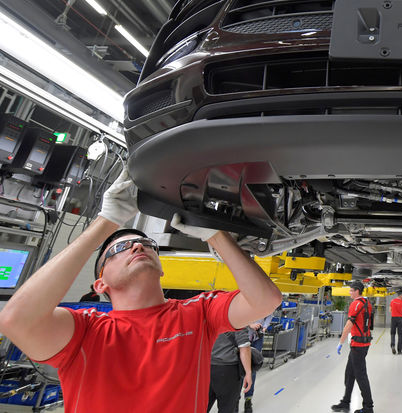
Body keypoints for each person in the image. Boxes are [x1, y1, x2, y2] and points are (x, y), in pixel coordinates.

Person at [0, 168, 283, 413]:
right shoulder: (84, 330)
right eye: (119, 249)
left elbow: (265, 300)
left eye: (148, 245)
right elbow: (16, 320)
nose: (138, 246)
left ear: (161, 268)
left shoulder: (198, 312)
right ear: (100, 284)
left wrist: (214, 233)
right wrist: (106, 222)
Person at [331, 280, 374, 413]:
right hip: (364, 342)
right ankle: (345, 402)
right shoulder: (367, 303)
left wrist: (340, 342)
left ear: (357, 291)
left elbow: (348, 326)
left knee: (360, 375)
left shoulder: (355, 304)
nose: (349, 292)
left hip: (358, 344)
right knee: (350, 373)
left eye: (351, 290)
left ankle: (368, 407)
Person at [208, 328, 252, 413]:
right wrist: (248, 372)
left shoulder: (206, 315)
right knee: (227, 407)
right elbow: (244, 347)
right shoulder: (237, 317)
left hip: (204, 367)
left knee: (201, 406)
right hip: (227, 369)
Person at [243, 317, 269, 413]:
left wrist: (265, 327)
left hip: (257, 338)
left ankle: (248, 400)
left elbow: (270, 315)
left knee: (252, 368)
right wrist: (250, 324)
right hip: (243, 335)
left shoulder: (267, 303)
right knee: (238, 368)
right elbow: (238, 315)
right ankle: (235, 400)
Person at [389, 289, 402, 355]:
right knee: (400, 335)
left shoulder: (392, 301)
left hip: (393, 318)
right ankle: (399, 350)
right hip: (400, 319)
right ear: (401, 295)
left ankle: (392, 345)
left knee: (393, 333)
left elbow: (390, 310)